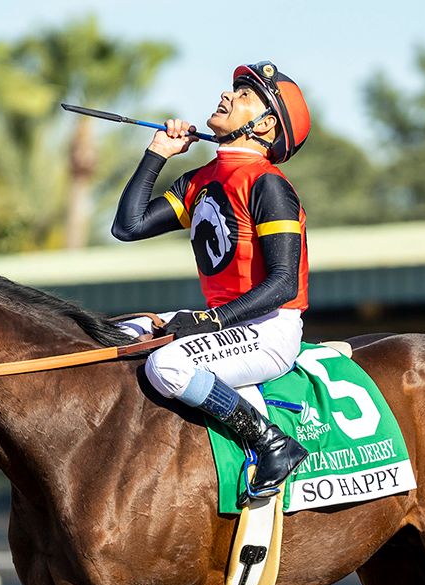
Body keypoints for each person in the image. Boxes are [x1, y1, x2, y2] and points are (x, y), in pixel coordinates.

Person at [112, 60, 313, 504]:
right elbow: (128, 226)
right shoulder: (201, 180)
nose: (228, 96)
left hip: (269, 329)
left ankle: (272, 444)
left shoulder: (268, 186)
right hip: (225, 324)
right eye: (234, 90)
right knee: (112, 339)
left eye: (245, 96)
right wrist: (157, 154)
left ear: (264, 126)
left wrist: (208, 319)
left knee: (167, 366)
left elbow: (282, 284)